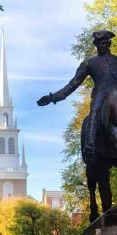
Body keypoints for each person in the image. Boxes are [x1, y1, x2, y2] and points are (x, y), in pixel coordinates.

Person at [37, 30, 117, 162]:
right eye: (98, 43)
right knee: (95, 111)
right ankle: (90, 145)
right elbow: (72, 84)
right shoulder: (90, 63)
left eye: (104, 43)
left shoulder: (116, 60)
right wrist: (52, 98)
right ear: (95, 44)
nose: (101, 45)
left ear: (108, 43)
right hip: (101, 93)